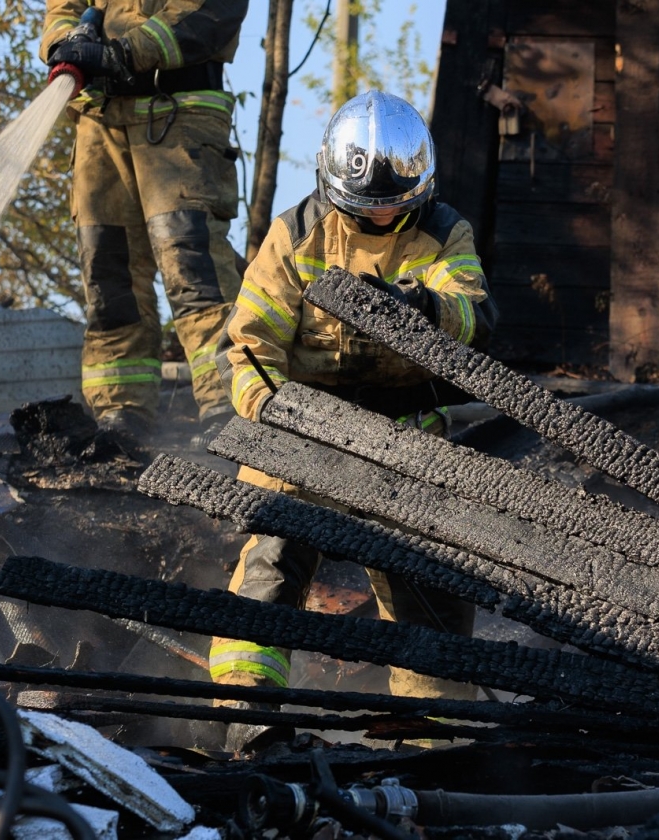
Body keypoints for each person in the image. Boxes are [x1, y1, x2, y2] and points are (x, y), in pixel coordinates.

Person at [208, 91, 500, 724]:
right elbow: (249, 344)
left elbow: (478, 318)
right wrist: (272, 413)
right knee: (270, 563)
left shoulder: (446, 233)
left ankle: (433, 747)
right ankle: (244, 717)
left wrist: (425, 312)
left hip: (406, 442)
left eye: (394, 207)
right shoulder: (293, 235)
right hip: (303, 435)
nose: (379, 218)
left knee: (432, 592)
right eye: (365, 209)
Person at [39, 0, 246, 445]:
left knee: (192, 264)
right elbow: (63, 7)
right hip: (99, 122)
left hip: (180, 113)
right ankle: (120, 412)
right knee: (108, 273)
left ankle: (231, 408)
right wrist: (64, 42)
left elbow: (211, 11)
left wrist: (123, 52)